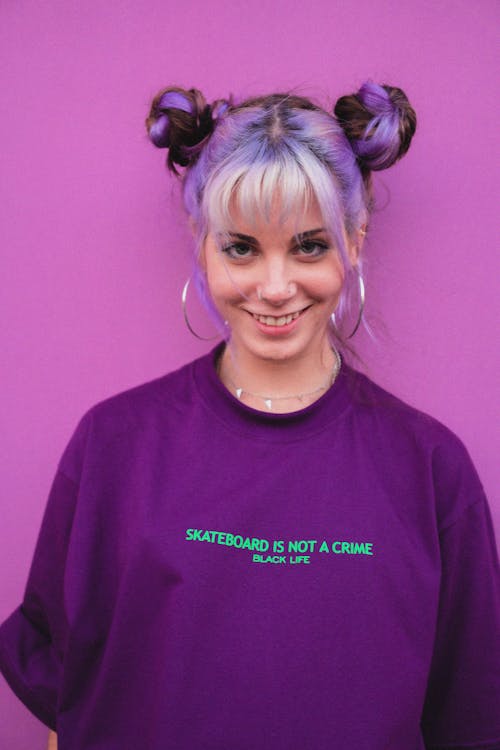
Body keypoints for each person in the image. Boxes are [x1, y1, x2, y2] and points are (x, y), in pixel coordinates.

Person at [1, 81, 499, 750]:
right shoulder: (113, 445)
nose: (274, 286)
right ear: (200, 240)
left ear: (355, 237)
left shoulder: (432, 469)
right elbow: (68, 702)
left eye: (308, 246)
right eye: (241, 248)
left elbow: (469, 717)